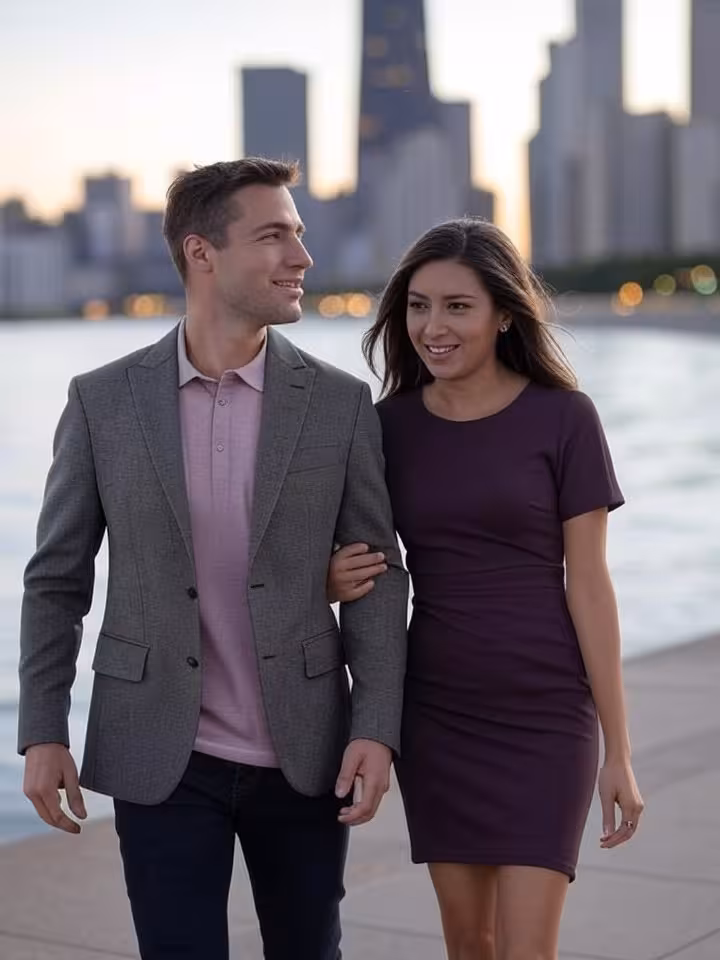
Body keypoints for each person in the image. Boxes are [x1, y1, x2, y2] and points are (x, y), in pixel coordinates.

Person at [18, 158, 408, 960]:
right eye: (274, 235)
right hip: (158, 746)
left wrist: (376, 725)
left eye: (298, 234)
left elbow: (377, 574)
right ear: (202, 253)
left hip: (305, 748)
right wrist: (44, 731)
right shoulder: (103, 401)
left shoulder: (339, 404)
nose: (300, 256)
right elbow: (57, 580)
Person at [328, 218, 644, 960]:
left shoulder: (564, 418)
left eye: (457, 306)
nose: (432, 327)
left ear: (505, 315)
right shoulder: (386, 428)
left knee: (528, 951)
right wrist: (325, 580)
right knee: (471, 945)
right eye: (417, 305)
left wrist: (619, 750)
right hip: (438, 711)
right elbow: (357, 560)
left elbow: (590, 585)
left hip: (546, 711)